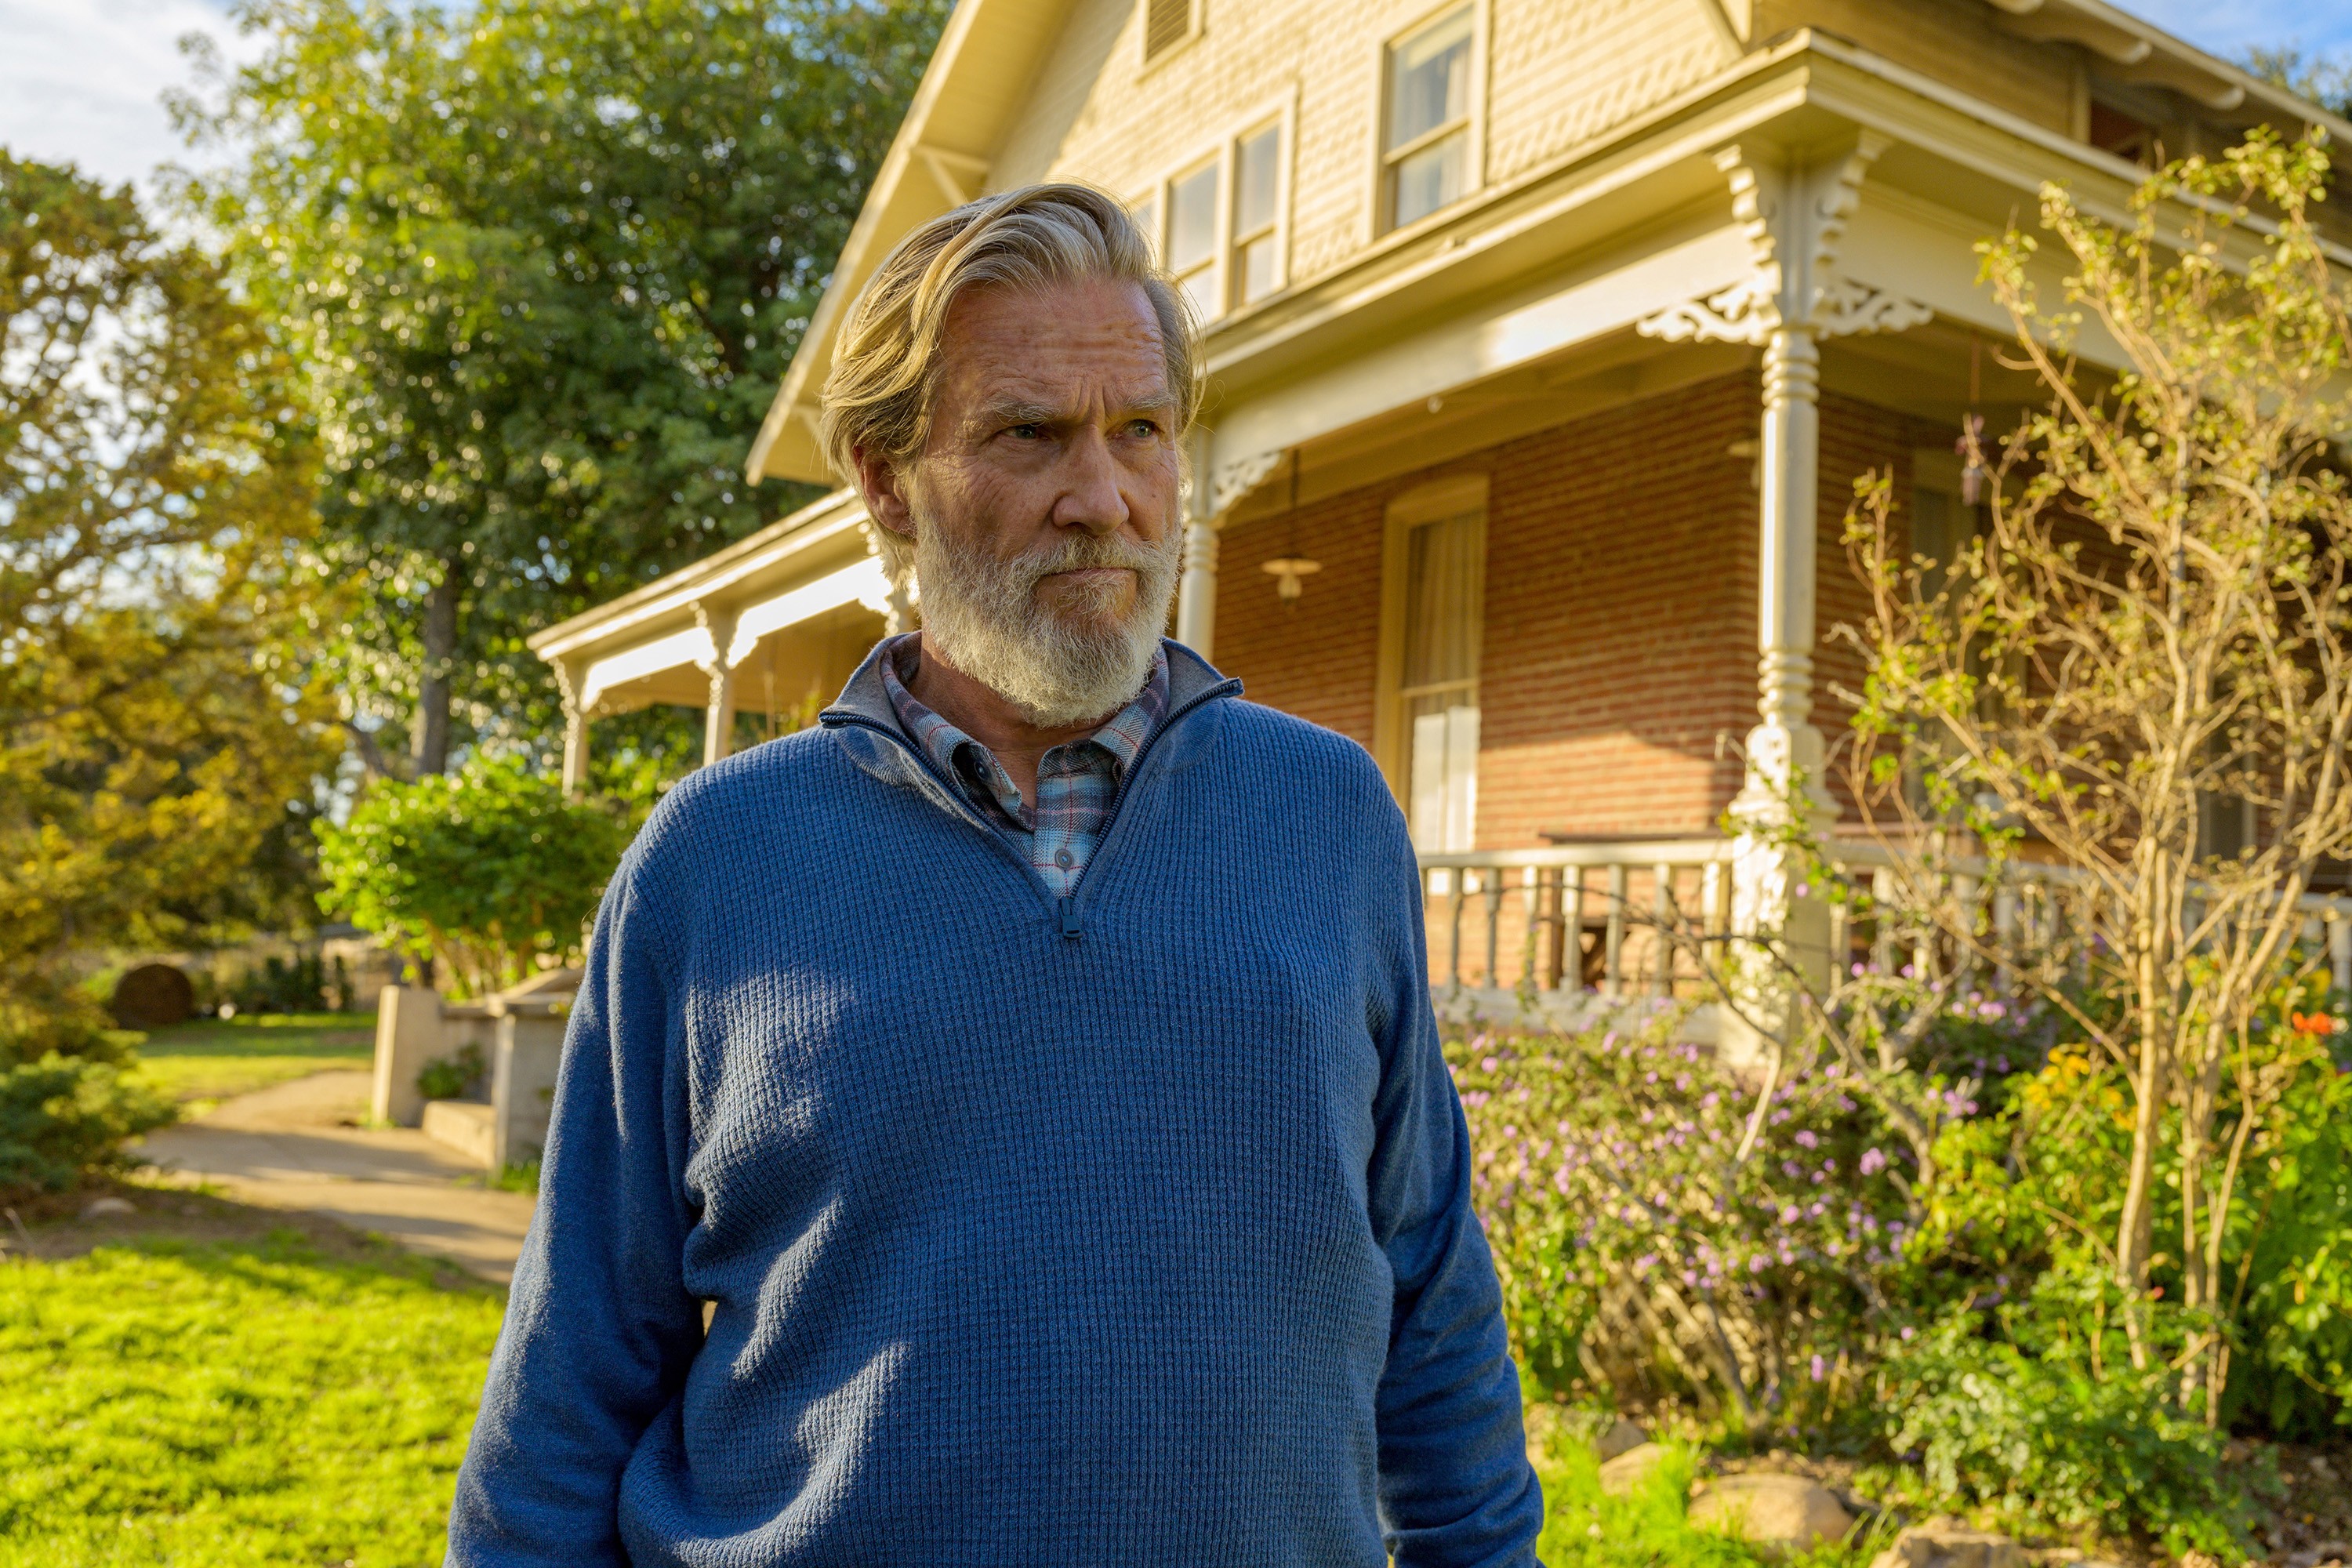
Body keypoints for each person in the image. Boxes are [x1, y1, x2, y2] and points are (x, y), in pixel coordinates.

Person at [445, 182, 1541, 1567]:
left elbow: (1430, 1299)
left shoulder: (1326, 815)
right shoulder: (716, 860)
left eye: (1141, 430)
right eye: (1030, 434)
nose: (1105, 497)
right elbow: (570, 1382)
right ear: (886, 481)